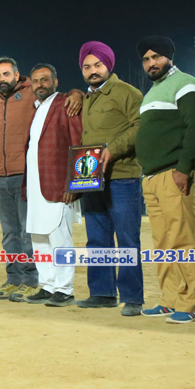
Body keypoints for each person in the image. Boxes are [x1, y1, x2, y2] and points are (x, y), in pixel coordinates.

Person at [133, 36, 195, 323]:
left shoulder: (184, 82)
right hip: (151, 177)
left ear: (169, 57)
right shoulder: (152, 92)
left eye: (156, 57)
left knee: (183, 239)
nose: (151, 63)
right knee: (162, 242)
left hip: (173, 173)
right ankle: (170, 299)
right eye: (146, 59)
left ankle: (190, 304)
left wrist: (184, 167)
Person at [76, 41, 145, 315]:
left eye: (98, 65)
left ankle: (132, 297)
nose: (93, 71)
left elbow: (141, 125)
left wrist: (113, 149)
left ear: (108, 65)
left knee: (127, 239)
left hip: (122, 176)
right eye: (86, 67)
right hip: (91, 179)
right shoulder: (86, 98)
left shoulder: (127, 92)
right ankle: (102, 293)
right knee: (96, 239)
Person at [20, 63, 83, 306]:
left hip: (58, 186)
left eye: (45, 80)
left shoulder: (66, 103)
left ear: (55, 81)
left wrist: (73, 184)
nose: (40, 85)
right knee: (39, 238)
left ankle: (64, 289)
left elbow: (77, 144)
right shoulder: (37, 109)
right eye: (36, 81)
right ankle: (47, 286)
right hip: (36, 186)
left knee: (60, 239)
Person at [0, 57, 39, 300]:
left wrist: (75, 94)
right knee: (9, 233)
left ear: (17, 75)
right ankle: (13, 278)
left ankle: (30, 280)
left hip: (24, 174)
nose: (2, 79)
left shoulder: (31, 94)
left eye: (6, 74)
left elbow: (56, 98)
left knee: (27, 231)